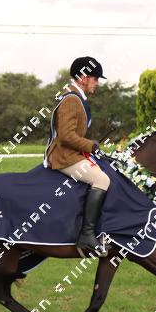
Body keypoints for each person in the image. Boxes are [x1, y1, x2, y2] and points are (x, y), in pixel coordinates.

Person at [44, 56, 111, 257]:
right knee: (101, 180)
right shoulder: (72, 99)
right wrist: (90, 145)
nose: (97, 83)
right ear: (83, 77)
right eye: (95, 78)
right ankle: (87, 235)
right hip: (64, 156)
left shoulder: (76, 97)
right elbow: (66, 136)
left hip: (72, 152)